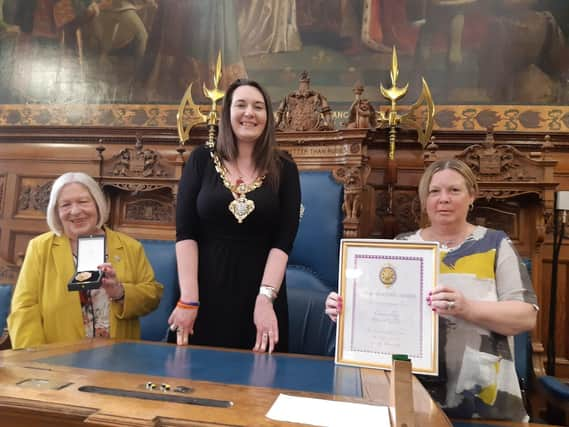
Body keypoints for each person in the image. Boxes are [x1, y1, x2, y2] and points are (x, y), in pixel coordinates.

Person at [325, 159, 538, 422]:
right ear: (424, 199)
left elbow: (526, 316)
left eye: (454, 191)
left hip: (484, 403)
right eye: (435, 191)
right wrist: (348, 309)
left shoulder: (495, 244)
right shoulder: (403, 246)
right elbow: (381, 310)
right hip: (411, 399)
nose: (443, 199)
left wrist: (467, 308)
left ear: (472, 195)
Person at [169, 78, 301, 354]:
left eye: (258, 106)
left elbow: (284, 240)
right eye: (240, 105)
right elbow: (186, 232)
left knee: (261, 388)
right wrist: (189, 299)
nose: (249, 113)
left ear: (268, 117)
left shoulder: (285, 167)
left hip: (261, 295)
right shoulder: (201, 160)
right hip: (202, 292)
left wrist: (266, 299)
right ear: (227, 113)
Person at [8, 172, 163, 349]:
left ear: (97, 204)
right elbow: (24, 308)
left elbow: (152, 296)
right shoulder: (40, 247)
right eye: (65, 205)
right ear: (56, 212)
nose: (75, 211)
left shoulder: (129, 246)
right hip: (59, 359)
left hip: (117, 358)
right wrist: (35, 360)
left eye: (83, 202)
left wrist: (120, 293)